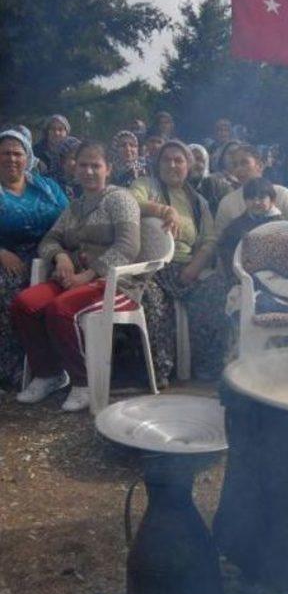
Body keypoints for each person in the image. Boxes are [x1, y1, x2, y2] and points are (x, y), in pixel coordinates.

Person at [11, 141, 141, 412]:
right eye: (83, 165)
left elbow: (128, 246)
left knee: (60, 309)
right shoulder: (74, 207)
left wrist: (89, 275)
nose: (89, 171)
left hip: (113, 284)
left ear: (109, 169)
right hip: (75, 280)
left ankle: (83, 382)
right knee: (25, 304)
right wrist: (60, 256)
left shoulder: (120, 199)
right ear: (75, 169)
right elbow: (49, 239)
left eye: (96, 165)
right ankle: (50, 374)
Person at [130, 140, 226, 382]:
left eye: (179, 160)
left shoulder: (198, 202)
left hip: (187, 268)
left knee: (217, 290)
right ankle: (160, 372)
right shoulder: (145, 185)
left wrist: (195, 266)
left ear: (188, 166)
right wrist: (163, 210)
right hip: (152, 267)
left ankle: (204, 368)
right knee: (152, 298)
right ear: (158, 163)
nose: (172, 165)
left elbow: (210, 239)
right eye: (166, 159)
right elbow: (129, 204)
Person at [0, 129, 68, 389]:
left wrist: (62, 252)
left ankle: (60, 365)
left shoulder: (47, 187)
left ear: (28, 157)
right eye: (5, 153)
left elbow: (68, 219)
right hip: (10, 259)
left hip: (52, 254)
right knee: (7, 292)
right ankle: (15, 369)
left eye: (17, 153)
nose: (11, 159)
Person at [213, 144, 288, 242]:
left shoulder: (283, 194)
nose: (239, 169)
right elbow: (218, 240)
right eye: (235, 165)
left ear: (260, 165)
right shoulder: (227, 203)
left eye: (244, 163)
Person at [217, 177, 282, 284]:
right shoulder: (235, 226)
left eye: (261, 198)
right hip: (243, 277)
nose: (256, 202)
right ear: (245, 201)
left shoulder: (283, 224)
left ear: (272, 200)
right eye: (251, 198)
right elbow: (225, 252)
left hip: (277, 277)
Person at [33, 114, 72, 181]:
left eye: (60, 129)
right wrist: (36, 161)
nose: (56, 133)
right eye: (53, 129)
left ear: (66, 132)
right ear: (47, 131)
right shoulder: (36, 150)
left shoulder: (73, 149)